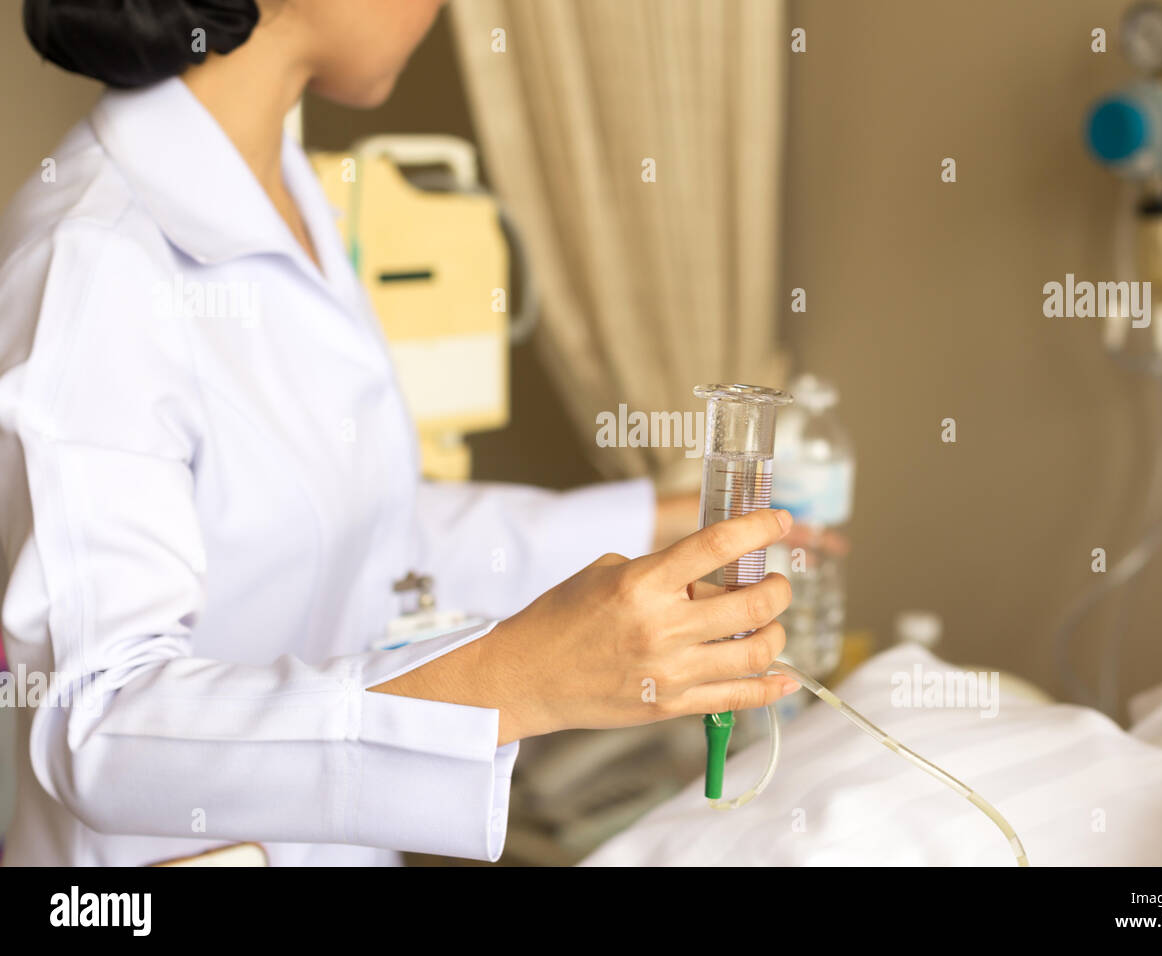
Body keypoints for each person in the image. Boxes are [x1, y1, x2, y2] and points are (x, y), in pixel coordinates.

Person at [0, 0, 796, 865]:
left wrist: (652, 525)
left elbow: (363, 533)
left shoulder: (282, 196)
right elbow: (99, 723)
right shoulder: (93, 260)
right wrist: (513, 682)